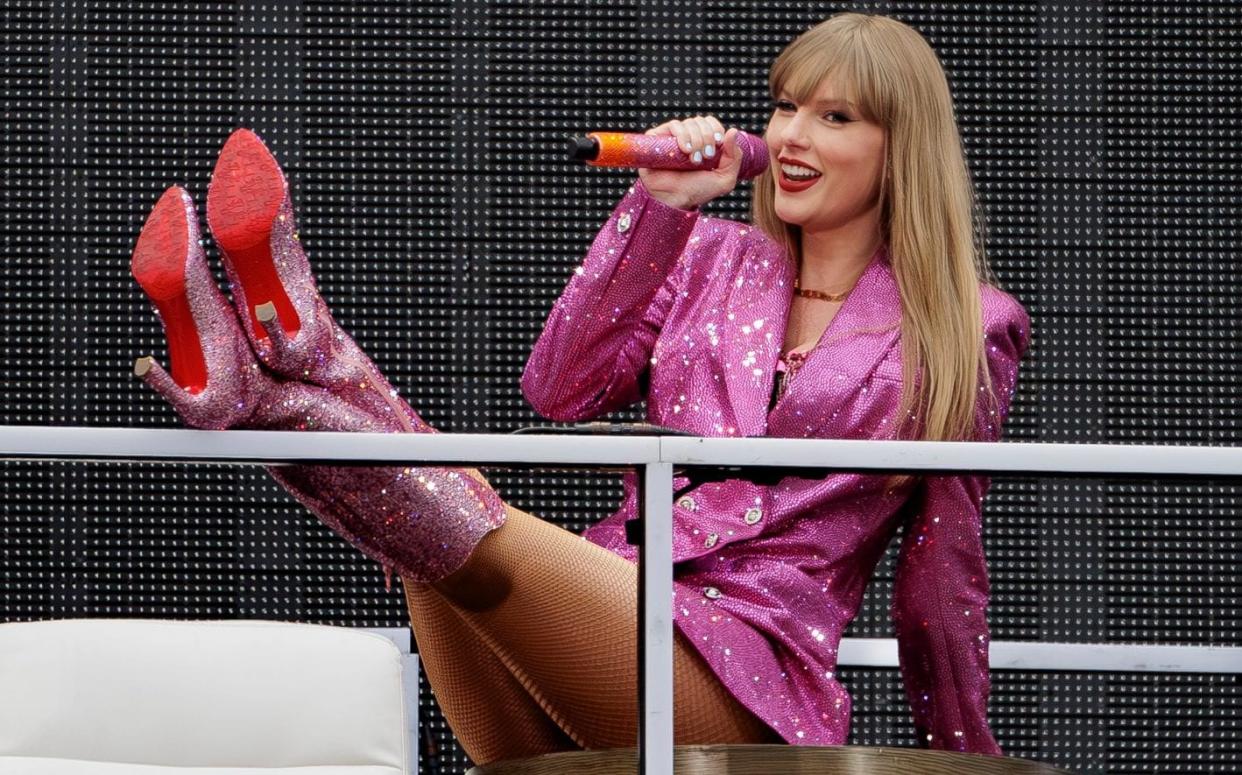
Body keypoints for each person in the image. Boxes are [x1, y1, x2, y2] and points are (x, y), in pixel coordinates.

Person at [130, 11, 1027, 765]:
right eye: (787, 105)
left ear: (898, 148)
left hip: (749, 670)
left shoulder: (966, 327)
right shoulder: (709, 254)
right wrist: (662, 208)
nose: (791, 136)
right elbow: (560, 388)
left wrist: (962, 758)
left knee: (460, 526)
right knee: (428, 554)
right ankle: (270, 369)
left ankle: (292, 355)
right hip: (612, 604)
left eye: (835, 117)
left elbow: (942, 575)